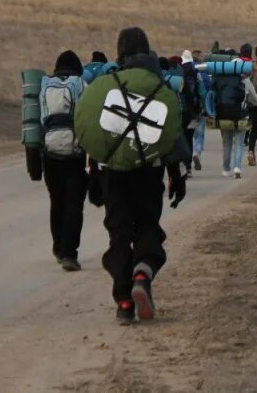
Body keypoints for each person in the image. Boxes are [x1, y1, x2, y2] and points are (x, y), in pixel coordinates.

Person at [74, 27, 186, 325]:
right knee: (148, 225)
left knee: (119, 233)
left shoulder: (108, 83)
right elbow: (173, 133)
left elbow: (96, 129)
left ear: (120, 51)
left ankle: (124, 302)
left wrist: (94, 174)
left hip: (114, 174)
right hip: (150, 171)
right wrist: (178, 175)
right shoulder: (161, 85)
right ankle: (143, 272)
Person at [39, 51, 88, 271]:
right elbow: (86, 118)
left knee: (56, 201)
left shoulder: (44, 85)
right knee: (74, 204)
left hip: (49, 152)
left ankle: (58, 248)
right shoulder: (80, 84)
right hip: (75, 153)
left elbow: (40, 120)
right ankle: (70, 253)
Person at [209, 50, 257, 178]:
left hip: (224, 115)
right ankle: (237, 168)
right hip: (241, 116)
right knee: (239, 143)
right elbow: (256, 100)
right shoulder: (246, 82)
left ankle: (226, 169)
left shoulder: (222, 81)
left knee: (226, 143)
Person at [191, 49, 209, 171]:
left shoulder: (184, 71)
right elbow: (206, 92)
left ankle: (188, 159)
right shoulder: (204, 73)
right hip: (200, 109)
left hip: (187, 109)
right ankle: (197, 153)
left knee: (188, 135)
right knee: (199, 135)